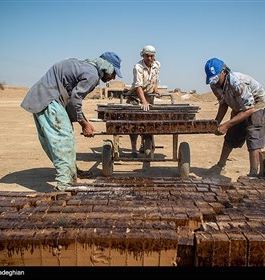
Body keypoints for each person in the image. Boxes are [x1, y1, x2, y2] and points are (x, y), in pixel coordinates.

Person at [21, 52, 122, 191]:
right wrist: (85, 124)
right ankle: (64, 185)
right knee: (63, 141)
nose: (113, 77)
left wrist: (82, 122)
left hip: (41, 98)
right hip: (50, 100)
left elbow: (71, 103)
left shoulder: (84, 66)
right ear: (107, 67)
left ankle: (71, 173)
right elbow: (75, 102)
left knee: (57, 140)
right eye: (113, 73)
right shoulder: (92, 75)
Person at [204, 57, 265, 178]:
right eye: (212, 80)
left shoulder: (237, 83)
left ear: (223, 72)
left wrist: (226, 125)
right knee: (232, 135)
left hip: (256, 105)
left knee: (253, 136)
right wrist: (216, 123)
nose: (215, 82)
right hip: (239, 105)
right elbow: (223, 104)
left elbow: (249, 109)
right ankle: (220, 165)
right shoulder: (214, 84)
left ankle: (254, 173)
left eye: (217, 79)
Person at [126, 45, 161, 158]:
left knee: (148, 122)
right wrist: (143, 102)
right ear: (143, 55)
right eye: (147, 56)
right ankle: (133, 148)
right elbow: (138, 86)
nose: (150, 59)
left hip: (149, 97)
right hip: (136, 97)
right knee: (134, 124)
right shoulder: (138, 67)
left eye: (152, 56)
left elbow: (155, 80)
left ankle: (144, 145)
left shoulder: (157, 65)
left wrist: (155, 90)